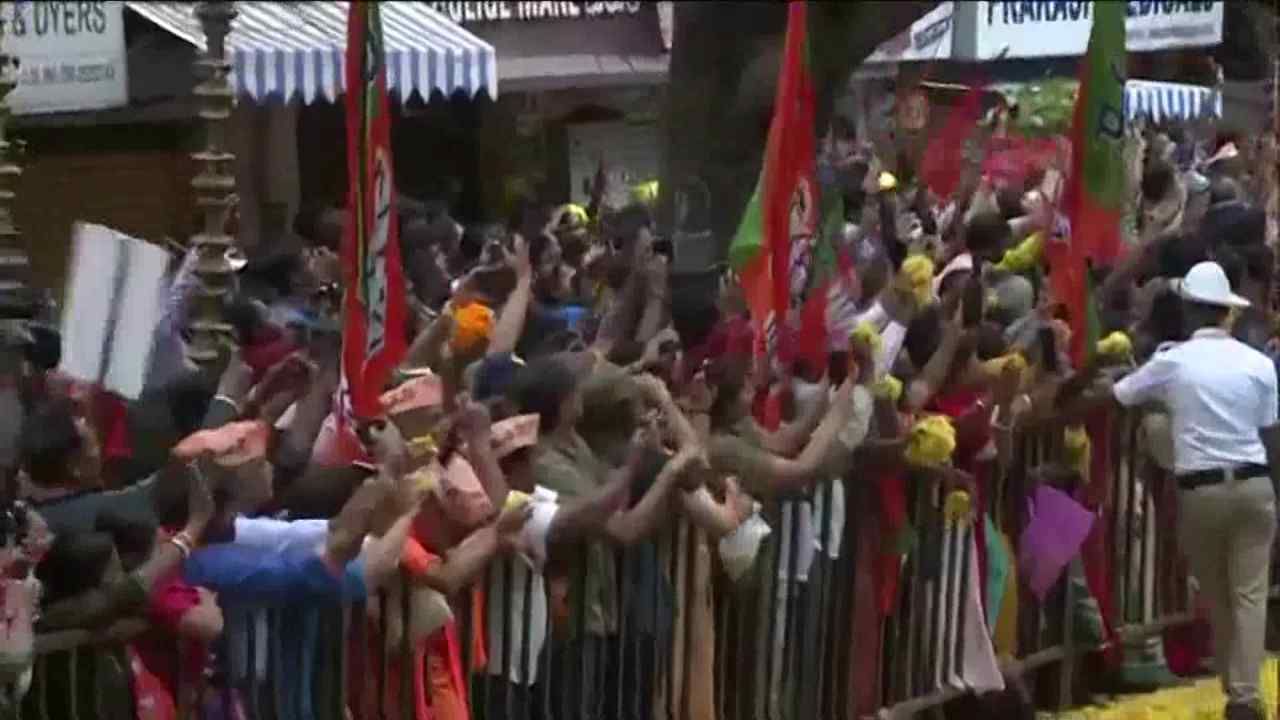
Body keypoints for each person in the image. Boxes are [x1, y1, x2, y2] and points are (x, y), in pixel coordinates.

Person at [1090, 261, 1277, 720]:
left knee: (1217, 594)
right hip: (1254, 482)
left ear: (1191, 312)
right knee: (1249, 594)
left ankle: (1241, 692)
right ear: (1226, 313)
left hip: (1201, 490)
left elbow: (1117, 396)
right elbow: (1269, 430)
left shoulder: (1172, 362)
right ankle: (1244, 696)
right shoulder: (1257, 364)